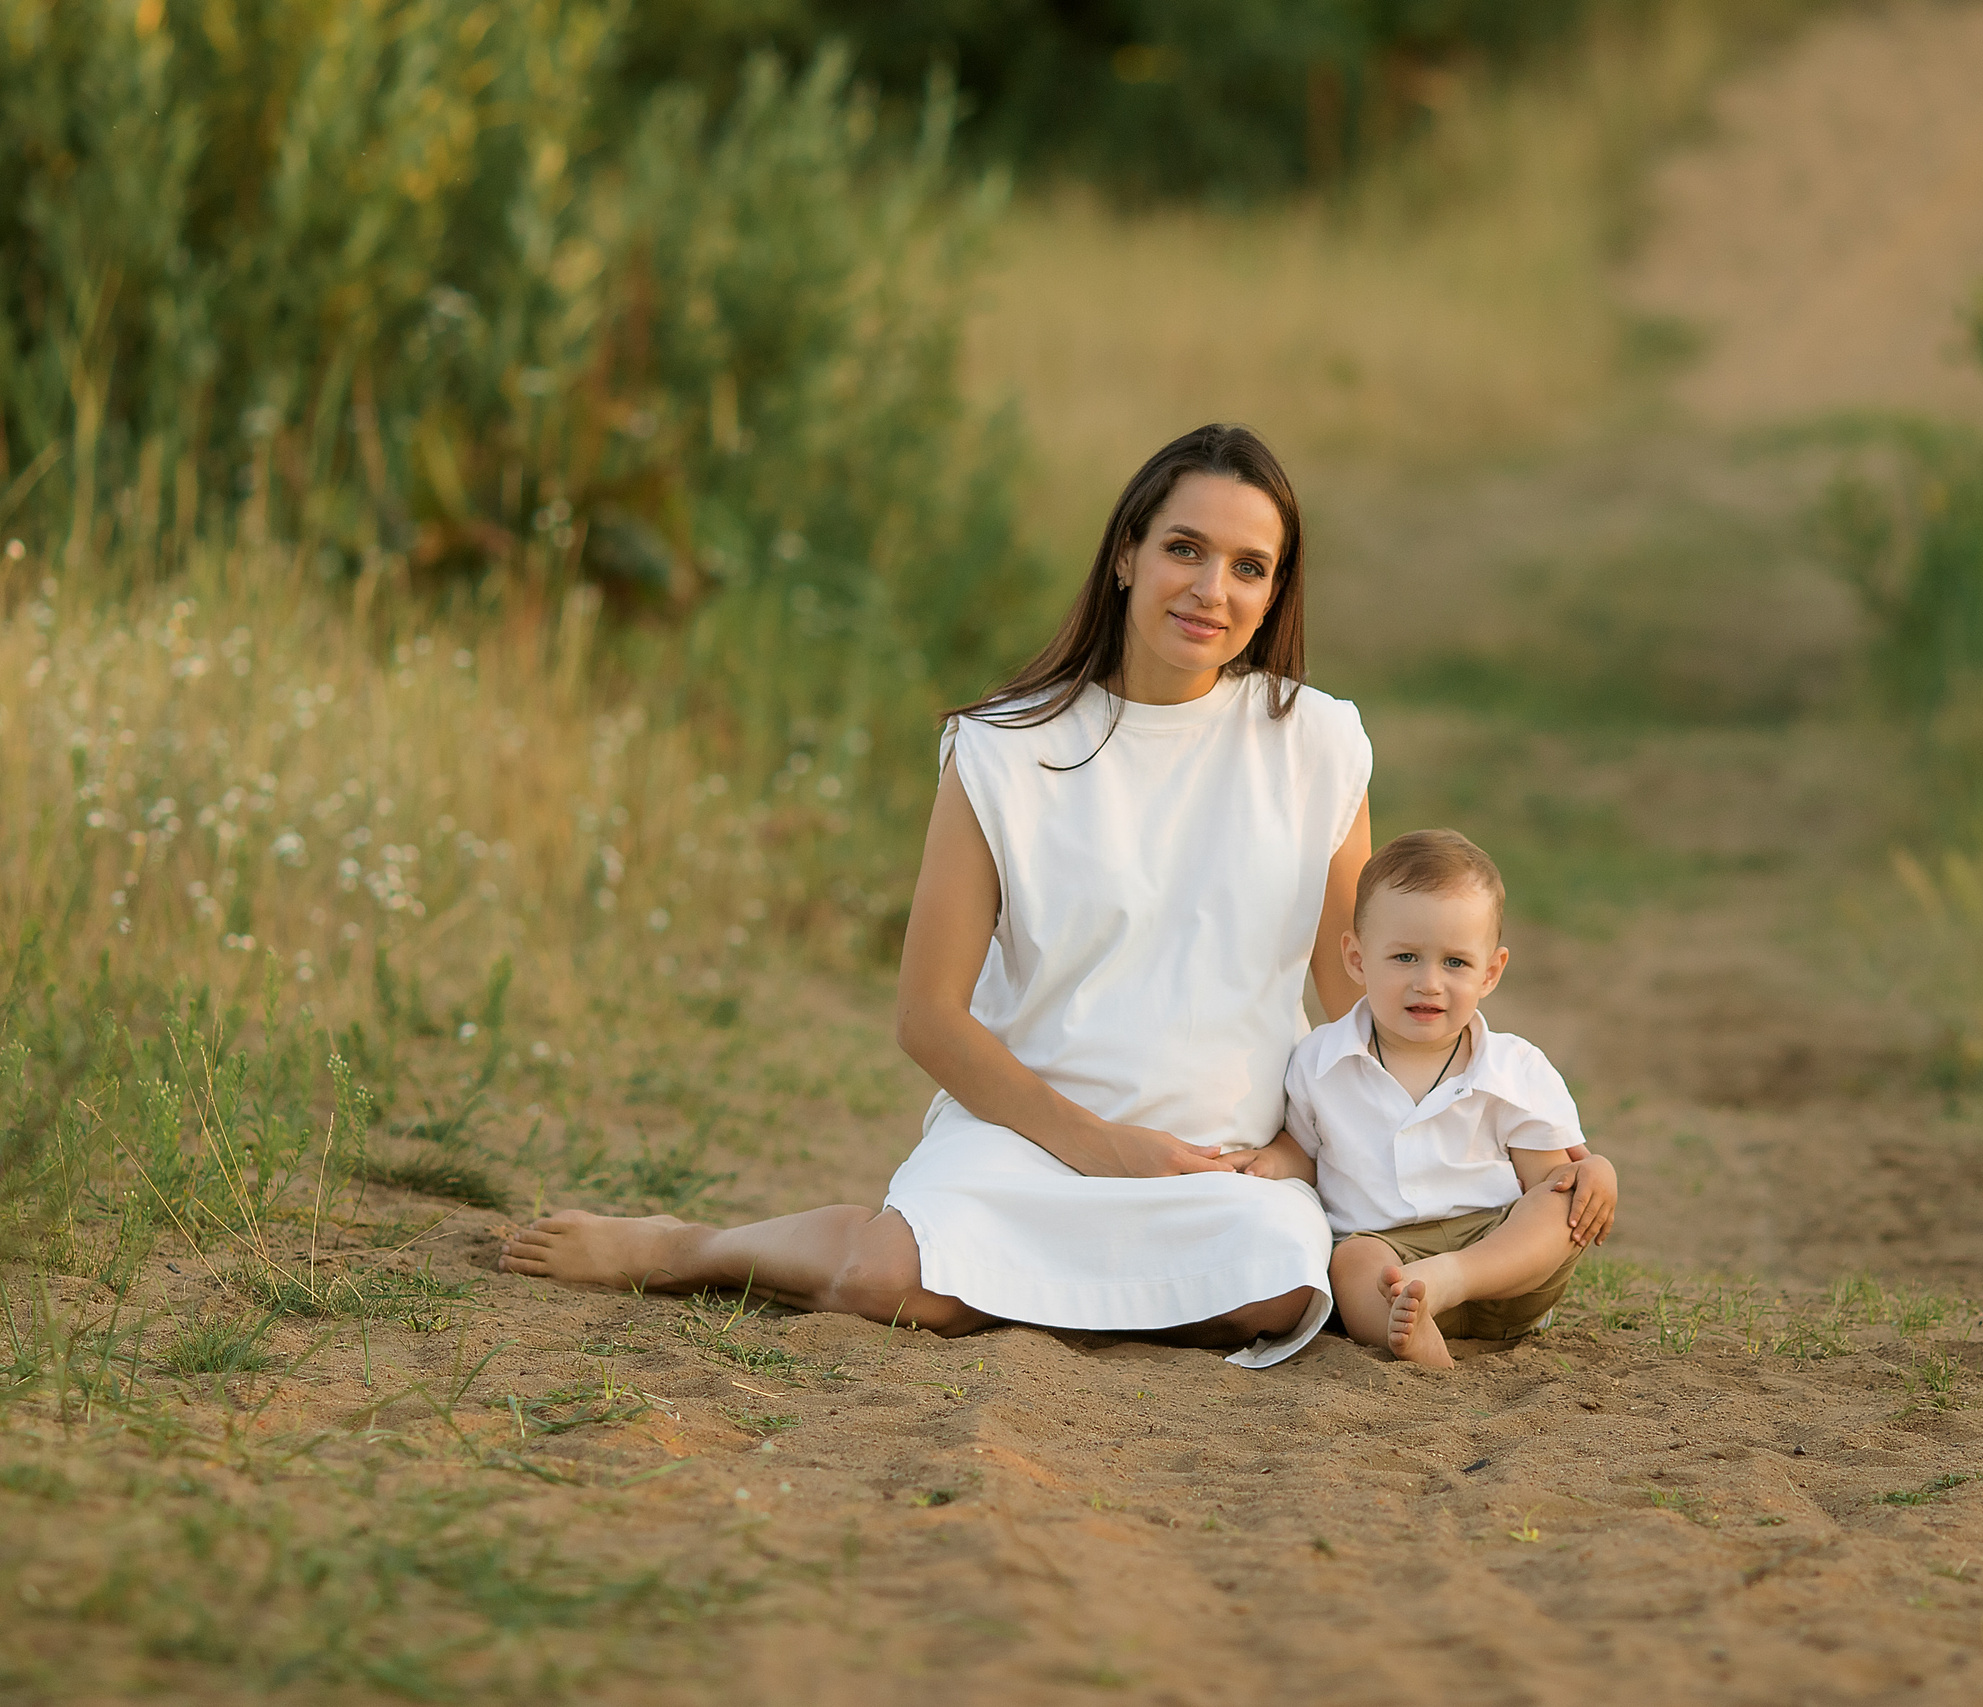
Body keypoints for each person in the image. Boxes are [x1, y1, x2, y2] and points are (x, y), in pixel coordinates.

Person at [498, 423, 1371, 1365]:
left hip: (1224, 1164)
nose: (1212, 591)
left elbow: (1358, 1007)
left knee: (1282, 1286)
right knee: (880, 1277)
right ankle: (691, 1247)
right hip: (1027, 1137)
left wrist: (1301, 1152)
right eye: (1184, 549)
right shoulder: (1003, 748)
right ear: (1125, 555)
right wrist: (1099, 1146)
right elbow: (928, 1016)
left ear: (1275, 591)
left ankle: (1024, 1287)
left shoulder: (1314, 746)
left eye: (1251, 567)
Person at [1242, 829, 1618, 1369]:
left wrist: (1594, 1174)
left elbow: (1551, 1178)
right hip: (1389, 1261)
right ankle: (1420, 1347)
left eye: (1455, 963)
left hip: (1497, 1260)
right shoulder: (1319, 1061)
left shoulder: (1515, 1067)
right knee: (1350, 1261)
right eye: (1405, 957)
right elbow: (1304, 1151)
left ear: (1491, 971)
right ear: (1356, 958)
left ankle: (1447, 1281)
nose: (1428, 982)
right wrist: (1268, 1164)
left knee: (1559, 1204)